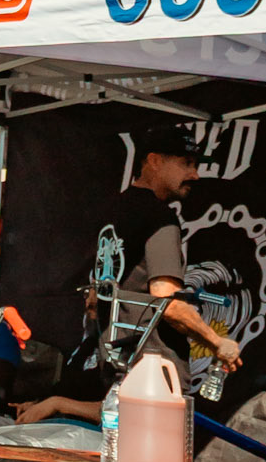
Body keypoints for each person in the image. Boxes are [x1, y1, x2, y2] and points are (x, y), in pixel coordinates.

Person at [13, 121, 243, 427]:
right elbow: (167, 301)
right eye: (186, 163)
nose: (195, 174)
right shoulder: (160, 218)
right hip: (154, 367)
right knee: (150, 451)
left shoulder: (115, 212)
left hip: (117, 359)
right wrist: (217, 342)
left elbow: (95, 298)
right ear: (154, 161)